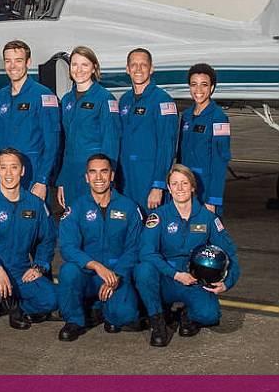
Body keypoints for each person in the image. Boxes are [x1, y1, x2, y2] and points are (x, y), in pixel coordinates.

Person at [134, 164, 240, 347]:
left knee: (210, 315)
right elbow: (147, 252)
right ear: (169, 188)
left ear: (192, 187)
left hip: (194, 280)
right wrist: (175, 274)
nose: (180, 188)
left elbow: (230, 254)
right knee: (143, 270)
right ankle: (158, 321)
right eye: (174, 184)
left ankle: (187, 315)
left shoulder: (208, 218)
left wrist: (227, 282)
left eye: (184, 183)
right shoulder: (159, 217)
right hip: (166, 278)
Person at [0, 148, 57, 341]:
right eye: (3, 168)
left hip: (19, 272)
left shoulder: (35, 204)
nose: (8, 173)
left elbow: (48, 239)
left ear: (22, 171)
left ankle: (15, 305)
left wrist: (39, 265)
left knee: (52, 299)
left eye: (14, 167)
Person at [57, 154, 143, 341]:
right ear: (86, 177)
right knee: (68, 271)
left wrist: (116, 276)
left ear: (112, 175)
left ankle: (103, 309)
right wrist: (95, 266)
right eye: (93, 172)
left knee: (124, 315)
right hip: (88, 275)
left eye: (104, 172)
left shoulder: (129, 207)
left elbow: (135, 248)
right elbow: (67, 247)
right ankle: (74, 321)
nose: (98, 177)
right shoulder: (76, 208)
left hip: (116, 274)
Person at [0, 40, 60, 200]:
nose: (13, 66)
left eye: (18, 60)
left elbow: (52, 143)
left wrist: (42, 180)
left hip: (32, 175)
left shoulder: (44, 96)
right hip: (3, 176)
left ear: (28, 62)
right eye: (8, 61)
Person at [56, 46, 120, 208]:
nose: (79, 70)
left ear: (94, 68)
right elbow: (66, 144)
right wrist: (62, 180)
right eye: (74, 64)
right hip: (71, 173)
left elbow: (111, 142)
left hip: (95, 174)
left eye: (84, 65)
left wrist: (106, 177)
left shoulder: (105, 98)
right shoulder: (67, 100)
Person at [117, 48, 178, 213]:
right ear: (127, 69)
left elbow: (167, 146)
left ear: (151, 69)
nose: (138, 69)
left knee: (151, 225)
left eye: (143, 65)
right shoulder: (124, 101)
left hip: (149, 177)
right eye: (133, 65)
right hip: (126, 177)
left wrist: (158, 185)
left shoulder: (163, 101)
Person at [178, 63, 231, 215]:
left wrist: (213, 199)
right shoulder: (186, 116)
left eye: (204, 85)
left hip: (206, 188)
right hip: (186, 188)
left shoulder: (219, 118)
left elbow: (220, 160)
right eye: (194, 84)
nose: (198, 90)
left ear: (212, 88)